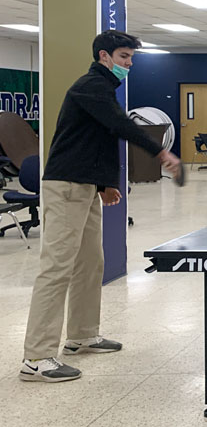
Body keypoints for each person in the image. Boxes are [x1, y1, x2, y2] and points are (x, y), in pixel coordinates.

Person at [20, 30, 181, 382]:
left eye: (132, 58)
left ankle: (80, 335)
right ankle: (36, 357)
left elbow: (101, 139)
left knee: (91, 262)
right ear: (104, 57)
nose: (129, 64)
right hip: (65, 187)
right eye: (124, 57)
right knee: (57, 268)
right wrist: (160, 151)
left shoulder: (104, 91)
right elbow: (120, 126)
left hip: (87, 187)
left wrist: (106, 184)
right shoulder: (90, 86)